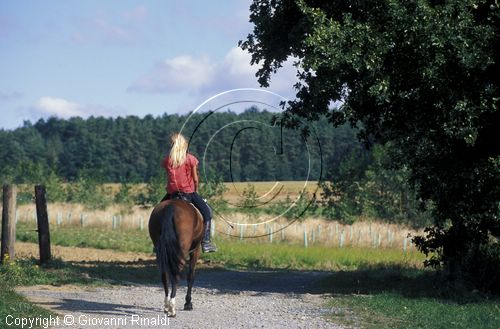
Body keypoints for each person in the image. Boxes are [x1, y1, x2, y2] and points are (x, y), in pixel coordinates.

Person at [161, 133, 217, 253]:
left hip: (172, 194)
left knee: (158, 212)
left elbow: (170, 176)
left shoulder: (167, 160)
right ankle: (206, 242)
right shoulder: (191, 159)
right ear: (184, 145)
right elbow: (195, 179)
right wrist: (196, 190)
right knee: (207, 212)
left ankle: (159, 242)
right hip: (188, 193)